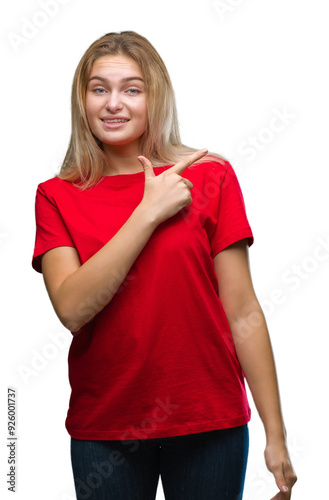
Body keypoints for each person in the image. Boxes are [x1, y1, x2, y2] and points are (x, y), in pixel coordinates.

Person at [31, 31, 297, 500]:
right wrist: (147, 212)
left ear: (154, 97)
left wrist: (276, 435)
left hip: (208, 419)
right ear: (82, 100)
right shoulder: (57, 195)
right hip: (105, 428)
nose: (114, 104)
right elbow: (73, 308)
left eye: (131, 89)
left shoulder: (210, 177)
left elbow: (241, 310)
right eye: (99, 89)